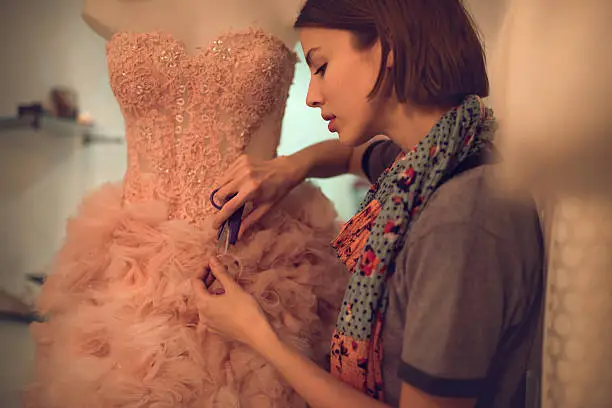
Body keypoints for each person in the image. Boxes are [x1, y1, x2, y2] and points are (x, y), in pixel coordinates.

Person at [194, 0, 545, 407]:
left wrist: (259, 336)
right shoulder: (426, 161)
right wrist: (291, 167)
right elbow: (349, 156)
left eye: (321, 66)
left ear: (388, 48)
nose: (311, 95)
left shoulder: (460, 222)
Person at [25, 0, 348, 406]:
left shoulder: (291, 5)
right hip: (131, 262)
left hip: (254, 257)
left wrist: (294, 165)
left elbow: (363, 141)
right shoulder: (104, 5)